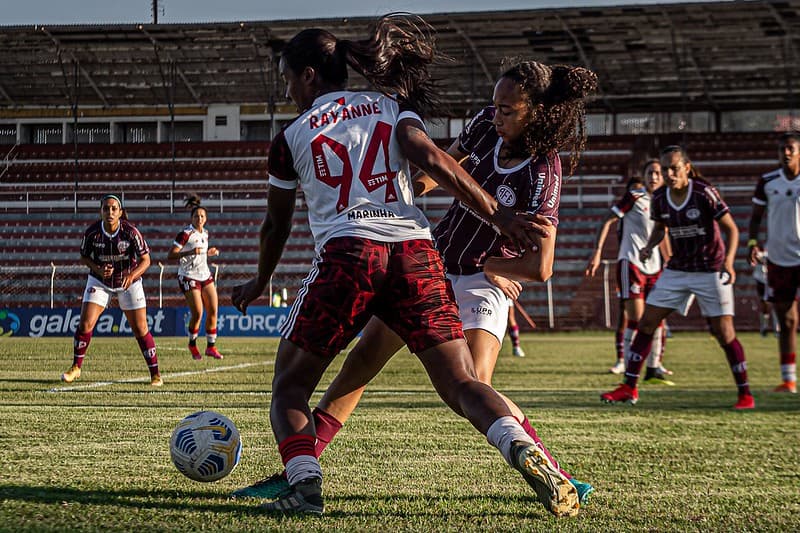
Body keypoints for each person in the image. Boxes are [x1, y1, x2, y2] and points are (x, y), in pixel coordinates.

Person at [231, 16, 581, 517]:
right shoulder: (393, 108)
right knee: (463, 383)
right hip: (417, 253)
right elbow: (434, 160)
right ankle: (522, 449)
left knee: (289, 384)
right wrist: (500, 216)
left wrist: (261, 279)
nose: (288, 90)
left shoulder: (289, 137)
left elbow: (275, 226)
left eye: (288, 78)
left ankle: (303, 485)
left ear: (309, 76)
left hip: (351, 253)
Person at [600, 145, 754, 409]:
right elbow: (660, 228)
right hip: (677, 269)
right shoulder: (660, 198)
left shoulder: (704, 192)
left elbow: (732, 229)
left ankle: (745, 393)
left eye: (674, 168)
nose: (669, 174)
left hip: (710, 269)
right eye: (665, 169)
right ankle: (629, 386)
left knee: (723, 332)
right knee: (646, 322)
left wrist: (729, 262)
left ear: (686, 168)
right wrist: (650, 245)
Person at [60, 194, 161, 387]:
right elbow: (84, 256)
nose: (110, 212)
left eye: (114, 208)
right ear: (101, 212)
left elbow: (146, 260)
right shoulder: (92, 233)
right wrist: (98, 269)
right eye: (106, 208)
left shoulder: (130, 232)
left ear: (120, 212)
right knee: (85, 324)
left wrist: (131, 276)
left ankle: (155, 374)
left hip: (128, 282)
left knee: (141, 329)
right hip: (99, 281)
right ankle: (76, 367)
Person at [586, 162, 673, 382]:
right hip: (631, 263)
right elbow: (608, 220)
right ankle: (626, 363)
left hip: (655, 267)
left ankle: (654, 368)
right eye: (650, 173)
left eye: (657, 173)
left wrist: (671, 260)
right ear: (644, 176)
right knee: (635, 319)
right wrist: (597, 252)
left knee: (657, 318)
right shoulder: (635, 196)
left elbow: (662, 234)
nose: (654, 176)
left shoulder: (665, 201)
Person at [747, 132, 800, 394]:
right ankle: (788, 379)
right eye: (782, 149)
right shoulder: (767, 181)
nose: (785, 153)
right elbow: (756, 218)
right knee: (786, 320)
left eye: (790, 148)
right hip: (779, 260)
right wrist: (753, 243)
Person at [167, 194, 223, 360]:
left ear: (205, 219)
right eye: (196, 216)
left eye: (202, 216)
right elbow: (171, 255)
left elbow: (200, 254)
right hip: (188, 276)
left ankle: (211, 347)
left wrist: (209, 253)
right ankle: (192, 344)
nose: (199, 218)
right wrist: (191, 251)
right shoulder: (185, 234)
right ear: (191, 218)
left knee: (213, 309)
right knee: (198, 313)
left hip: (205, 275)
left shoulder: (205, 233)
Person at [751, 248, 778, 337]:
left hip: (772, 281)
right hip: (761, 281)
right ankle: (764, 328)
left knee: (775, 304)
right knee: (764, 305)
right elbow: (756, 258)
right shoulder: (760, 253)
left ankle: (777, 329)